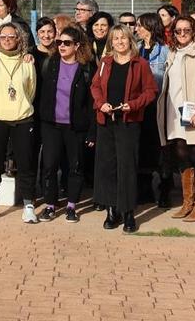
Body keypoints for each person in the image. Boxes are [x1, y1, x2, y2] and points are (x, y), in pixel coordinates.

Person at [91, 25, 158, 233]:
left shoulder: (140, 64)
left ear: (130, 40)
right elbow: (95, 87)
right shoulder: (105, 63)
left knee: (127, 167)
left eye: (123, 38)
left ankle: (128, 212)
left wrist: (134, 104)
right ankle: (112, 211)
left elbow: (150, 91)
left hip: (129, 122)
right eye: (115, 38)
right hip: (107, 121)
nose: (119, 42)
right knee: (107, 166)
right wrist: (101, 103)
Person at [0, 22, 38, 223]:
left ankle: (29, 205)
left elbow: (30, 91)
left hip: (22, 118)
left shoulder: (28, 62)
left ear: (19, 39)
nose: (7, 40)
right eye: (3, 37)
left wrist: (18, 105)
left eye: (12, 37)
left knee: (26, 163)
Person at [36, 24, 95, 222]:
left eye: (67, 43)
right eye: (59, 42)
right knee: (50, 166)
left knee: (75, 166)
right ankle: (50, 205)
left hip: (75, 126)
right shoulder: (50, 63)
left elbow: (91, 102)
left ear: (77, 46)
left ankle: (71, 206)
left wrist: (91, 131)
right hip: (51, 124)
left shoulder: (86, 68)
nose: (61, 46)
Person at [157, 16, 195, 223]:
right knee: (182, 156)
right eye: (178, 31)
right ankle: (187, 204)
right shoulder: (172, 52)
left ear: (194, 31)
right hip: (174, 111)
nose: (182, 34)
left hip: (192, 110)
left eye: (186, 30)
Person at [134, 12, 171, 208]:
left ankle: (165, 189)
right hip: (140, 106)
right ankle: (145, 190)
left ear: (150, 27)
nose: (137, 29)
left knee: (161, 149)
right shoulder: (136, 50)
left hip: (158, 107)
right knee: (142, 148)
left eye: (140, 25)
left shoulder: (165, 51)